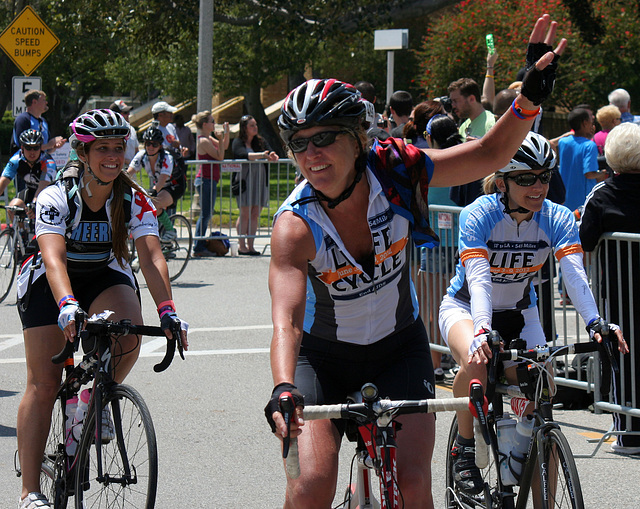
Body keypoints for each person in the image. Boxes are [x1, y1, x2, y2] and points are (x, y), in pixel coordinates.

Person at [264, 14, 568, 508]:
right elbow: (286, 320)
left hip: (398, 349)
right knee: (310, 485)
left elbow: (488, 153)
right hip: (321, 359)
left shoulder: (397, 170)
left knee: (413, 487)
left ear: (358, 137)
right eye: (299, 143)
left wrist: (528, 100)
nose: (311, 154)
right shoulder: (295, 225)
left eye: (324, 138)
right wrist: (282, 385)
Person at [14, 109, 188, 509]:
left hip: (101, 275)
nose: (113, 156)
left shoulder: (133, 198)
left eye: (118, 148)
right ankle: (30, 492)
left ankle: (95, 395)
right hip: (47, 282)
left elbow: (151, 256)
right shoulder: (57, 196)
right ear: (83, 152)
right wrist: (67, 305)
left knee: (129, 331)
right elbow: (53, 258)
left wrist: (168, 311)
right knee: (44, 383)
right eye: (103, 149)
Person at [439, 131, 628, 496]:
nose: (538, 185)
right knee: (477, 364)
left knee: (542, 395)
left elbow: (573, 273)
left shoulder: (556, 217)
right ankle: (464, 446)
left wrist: (595, 322)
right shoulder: (479, 214)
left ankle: (528, 462)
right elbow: (479, 279)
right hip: (466, 308)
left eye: (544, 176)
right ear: (501, 182)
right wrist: (481, 328)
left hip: (520, 313)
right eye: (525, 178)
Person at [580, 122, 640, 455]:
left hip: (620, 291)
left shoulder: (603, 195)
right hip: (622, 289)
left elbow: (585, 240)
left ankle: (629, 433)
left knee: (623, 355)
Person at [127, 122, 185, 241]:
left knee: (153, 204)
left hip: (175, 185)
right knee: (148, 205)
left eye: (154, 144)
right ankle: (160, 238)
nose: (150, 147)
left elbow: (163, 178)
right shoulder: (142, 155)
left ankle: (170, 231)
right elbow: (129, 173)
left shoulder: (166, 157)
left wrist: (153, 192)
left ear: (160, 146)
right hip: (160, 186)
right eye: (148, 143)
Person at [231, 115, 279, 255]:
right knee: (245, 212)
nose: (255, 128)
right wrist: (262, 155)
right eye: (252, 125)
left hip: (259, 180)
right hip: (244, 180)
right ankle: (242, 246)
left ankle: (251, 245)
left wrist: (272, 155)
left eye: (255, 125)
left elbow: (270, 151)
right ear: (244, 128)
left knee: (255, 213)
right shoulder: (238, 141)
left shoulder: (260, 141)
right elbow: (241, 155)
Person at [192, 111, 230, 257]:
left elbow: (224, 147)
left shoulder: (208, 138)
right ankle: (198, 246)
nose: (214, 124)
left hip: (210, 180)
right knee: (205, 214)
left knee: (207, 213)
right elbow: (220, 157)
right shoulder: (203, 141)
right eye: (212, 121)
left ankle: (199, 244)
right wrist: (219, 139)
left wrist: (225, 135)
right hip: (205, 180)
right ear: (205, 124)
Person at [557, 107, 607, 214]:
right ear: (584, 123)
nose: (592, 125)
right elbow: (589, 174)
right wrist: (602, 174)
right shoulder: (590, 146)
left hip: (564, 197)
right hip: (582, 200)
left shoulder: (563, 142)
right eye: (590, 122)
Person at [0, 130, 56, 216]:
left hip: (48, 193)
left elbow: (43, 186)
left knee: (38, 210)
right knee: (12, 208)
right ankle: (19, 229)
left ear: (41, 148)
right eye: (28, 148)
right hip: (30, 191)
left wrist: (35, 203)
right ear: (22, 148)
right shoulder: (16, 160)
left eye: (36, 147)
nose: (32, 152)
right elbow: (3, 181)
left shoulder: (48, 162)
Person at [11, 89, 66, 156]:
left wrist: (54, 146)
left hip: (40, 163)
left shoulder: (43, 121)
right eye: (43, 100)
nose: (46, 102)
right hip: (24, 164)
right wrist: (49, 145)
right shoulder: (23, 119)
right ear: (34, 102)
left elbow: (46, 150)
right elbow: (24, 147)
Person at [448, 77, 496, 141]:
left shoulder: (492, 123)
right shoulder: (463, 127)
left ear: (471, 99)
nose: (453, 106)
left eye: (455, 101)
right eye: (452, 102)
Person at [109, 100, 139, 165]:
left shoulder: (132, 129)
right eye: (125, 112)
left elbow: (136, 150)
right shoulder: (110, 131)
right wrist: (126, 161)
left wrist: (134, 164)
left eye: (128, 112)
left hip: (131, 171)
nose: (128, 114)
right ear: (116, 114)